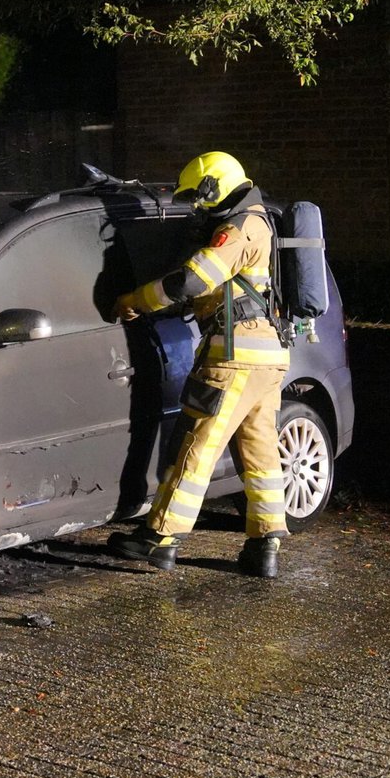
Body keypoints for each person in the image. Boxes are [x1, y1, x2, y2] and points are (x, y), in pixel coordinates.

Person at [106, 151, 291, 577]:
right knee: (261, 454)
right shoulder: (262, 221)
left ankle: (159, 538)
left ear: (215, 187)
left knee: (196, 443)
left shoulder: (239, 228)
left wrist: (136, 301)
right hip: (267, 356)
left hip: (233, 357)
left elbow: (192, 280)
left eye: (200, 197)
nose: (198, 207)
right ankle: (264, 546)